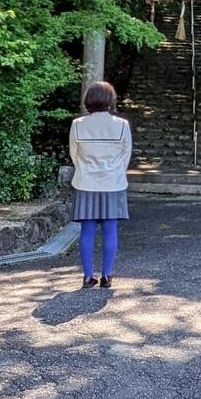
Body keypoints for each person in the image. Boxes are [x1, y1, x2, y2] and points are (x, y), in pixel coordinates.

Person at [68, 80, 131, 289]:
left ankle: (87, 276)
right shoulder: (122, 125)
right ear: (110, 100)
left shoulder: (77, 124)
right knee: (110, 229)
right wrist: (112, 172)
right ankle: (106, 275)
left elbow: (74, 155)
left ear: (89, 100)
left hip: (86, 183)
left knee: (87, 231)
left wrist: (86, 170)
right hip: (113, 183)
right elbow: (125, 156)